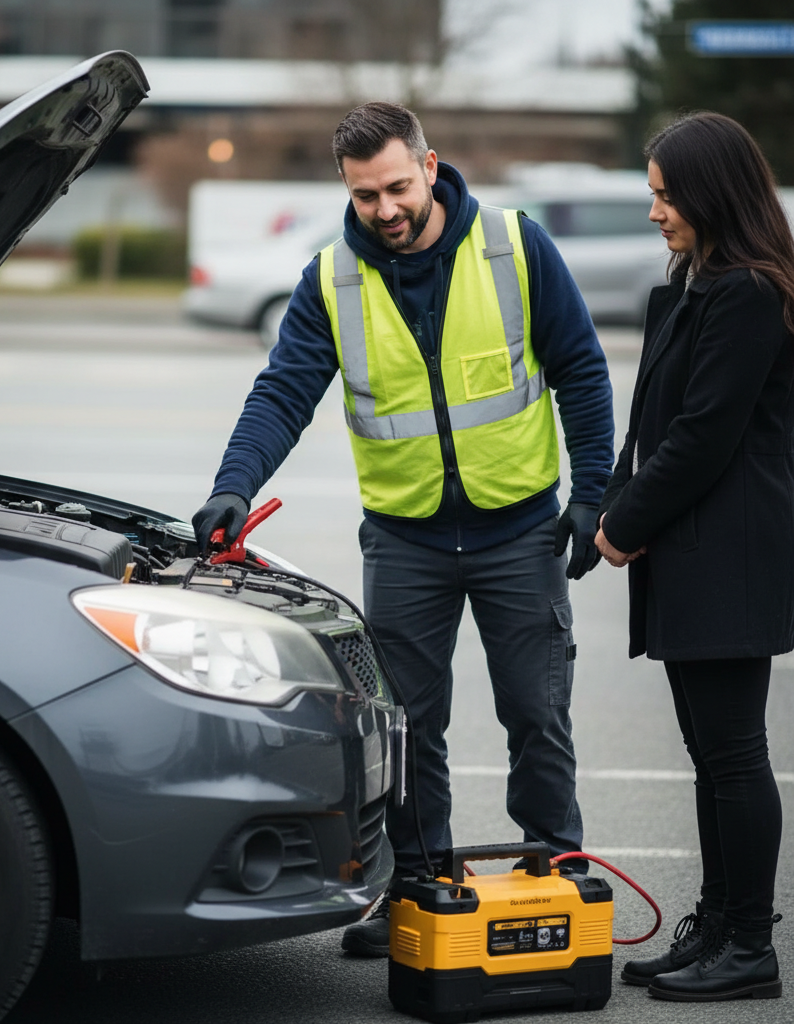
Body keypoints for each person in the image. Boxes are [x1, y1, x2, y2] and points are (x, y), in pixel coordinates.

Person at [192, 102, 614, 957]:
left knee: (537, 710)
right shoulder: (330, 279)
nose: (383, 209)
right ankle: (416, 886)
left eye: (394, 187)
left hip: (519, 530)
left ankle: (555, 867)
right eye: (362, 195)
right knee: (409, 726)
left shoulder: (513, 245)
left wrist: (592, 495)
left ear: (429, 166)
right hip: (406, 538)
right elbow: (282, 393)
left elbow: (581, 369)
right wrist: (232, 487)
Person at [595, 111, 791, 1002]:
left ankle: (751, 945)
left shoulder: (751, 291)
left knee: (734, 752)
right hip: (694, 549)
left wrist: (622, 525)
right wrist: (612, 503)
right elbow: (653, 425)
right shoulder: (693, 285)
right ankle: (715, 925)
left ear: (712, 193)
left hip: (730, 553)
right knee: (712, 752)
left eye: (666, 195)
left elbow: (704, 437)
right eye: (652, 194)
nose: (654, 212)